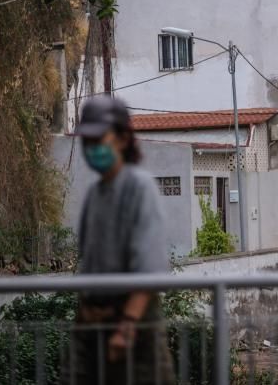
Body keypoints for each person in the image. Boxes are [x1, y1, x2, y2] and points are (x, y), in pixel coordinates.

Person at [66, 96, 175, 384]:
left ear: (124, 139)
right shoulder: (94, 194)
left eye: (98, 139)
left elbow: (149, 267)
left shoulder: (139, 186)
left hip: (132, 323)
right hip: (91, 321)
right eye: (86, 142)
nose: (91, 149)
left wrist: (126, 325)